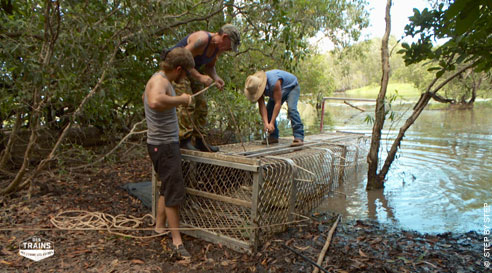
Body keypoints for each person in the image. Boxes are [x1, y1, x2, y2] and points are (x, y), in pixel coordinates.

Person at [143, 47, 194, 259]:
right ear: (179, 69)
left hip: (165, 144)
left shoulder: (164, 80)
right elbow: (155, 101)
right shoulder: (160, 81)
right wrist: (181, 100)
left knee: (167, 185)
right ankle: (177, 242)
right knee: (173, 192)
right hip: (163, 146)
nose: (186, 77)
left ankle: (159, 226)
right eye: (186, 73)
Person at [169, 24, 241, 152]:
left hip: (191, 70)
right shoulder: (202, 40)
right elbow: (180, 58)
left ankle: (199, 140)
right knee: (188, 102)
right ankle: (184, 140)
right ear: (224, 37)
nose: (228, 50)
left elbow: (210, 67)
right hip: (177, 68)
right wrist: (200, 77)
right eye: (229, 46)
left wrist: (216, 78)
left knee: (202, 105)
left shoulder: (217, 49)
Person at [243, 69, 305, 147]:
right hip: (279, 91)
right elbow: (262, 107)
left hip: (291, 87)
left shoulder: (274, 82)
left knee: (292, 109)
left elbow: (277, 103)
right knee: (269, 109)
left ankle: (299, 137)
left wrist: (271, 123)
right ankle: (273, 136)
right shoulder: (255, 87)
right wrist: (266, 124)